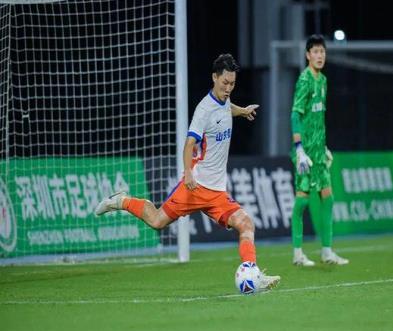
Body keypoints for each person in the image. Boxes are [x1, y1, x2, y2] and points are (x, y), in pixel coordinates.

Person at [95, 53, 280, 291]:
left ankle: (253, 273)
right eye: (225, 83)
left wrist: (242, 111)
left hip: (217, 193)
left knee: (245, 224)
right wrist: (188, 174)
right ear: (214, 78)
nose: (228, 88)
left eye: (232, 84)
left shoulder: (224, 101)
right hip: (195, 186)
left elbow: (226, 109)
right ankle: (121, 201)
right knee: (157, 221)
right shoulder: (203, 110)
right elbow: (189, 144)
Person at [290, 34, 349, 267]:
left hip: (318, 152)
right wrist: (299, 149)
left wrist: (323, 146)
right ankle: (297, 253)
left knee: (328, 198)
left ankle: (326, 251)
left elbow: (318, 118)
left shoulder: (323, 81)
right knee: (302, 202)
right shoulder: (304, 80)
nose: (319, 55)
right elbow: (295, 115)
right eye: (315, 51)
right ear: (307, 55)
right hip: (304, 153)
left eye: (322, 51)